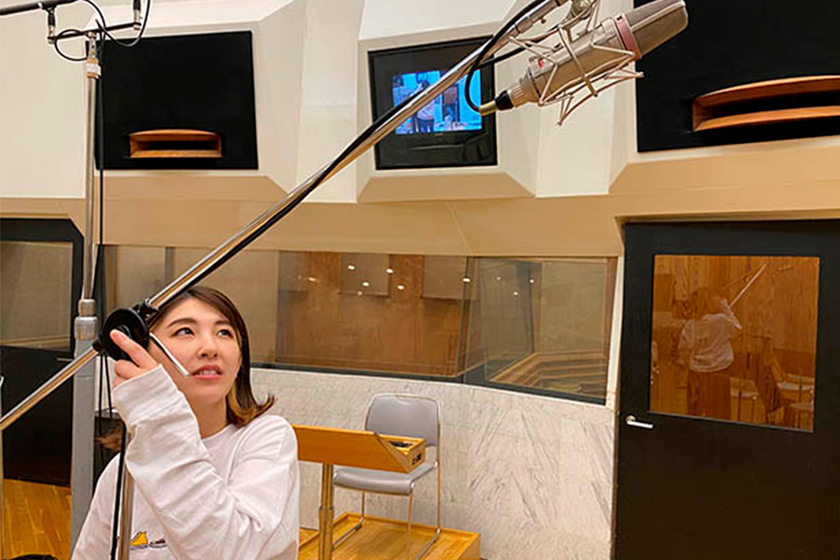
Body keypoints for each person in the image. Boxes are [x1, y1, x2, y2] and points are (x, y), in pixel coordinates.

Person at [73, 286, 299, 559]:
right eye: (185, 331)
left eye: (224, 332)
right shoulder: (121, 472)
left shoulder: (267, 438)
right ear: (141, 353)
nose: (210, 348)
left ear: (240, 359)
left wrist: (158, 412)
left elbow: (229, 551)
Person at [678, 287, 742, 418]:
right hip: (718, 374)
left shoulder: (690, 324)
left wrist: (691, 365)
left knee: (694, 414)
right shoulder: (720, 320)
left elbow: (682, 349)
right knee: (719, 415)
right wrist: (725, 308)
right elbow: (737, 329)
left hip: (695, 374)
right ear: (710, 302)